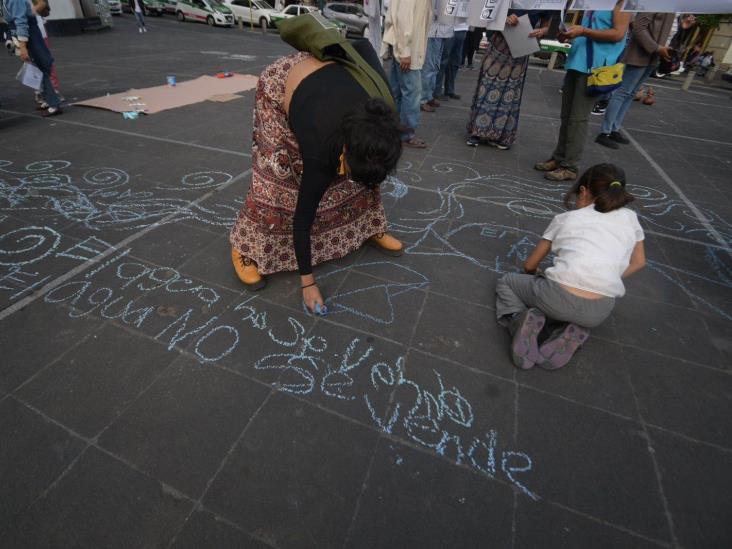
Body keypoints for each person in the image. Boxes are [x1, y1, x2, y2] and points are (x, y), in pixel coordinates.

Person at [229, 40, 404, 314]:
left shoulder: (382, 116)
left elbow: (364, 46)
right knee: (277, 178)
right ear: (344, 148)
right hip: (282, 84)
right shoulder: (320, 148)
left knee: (366, 172)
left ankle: (370, 227)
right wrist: (307, 284)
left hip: (328, 82)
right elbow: (302, 219)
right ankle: (246, 248)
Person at [496, 163, 646, 370]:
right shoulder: (630, 218)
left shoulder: (566, 218)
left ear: (583, 191)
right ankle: (570, 330)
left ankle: (517, 320)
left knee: (506, 282)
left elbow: (530, 264)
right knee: (573, 309)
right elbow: (639, 262)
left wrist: (535, 276)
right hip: (599, 311)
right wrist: (608, 276)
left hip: (556, 298)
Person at [534, 1, 630, 181]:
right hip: (578, 62)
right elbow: (587, 32)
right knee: (567, 116)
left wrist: (583, 31)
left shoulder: (620, 4)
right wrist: (570, 36)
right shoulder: (594, 3)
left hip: (593, 67)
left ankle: (569, 166)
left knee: (578, 119)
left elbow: (618, 34)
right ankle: (559, 157)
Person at [466, 10, 550, 150]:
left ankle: (502, 135)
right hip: (499, 42)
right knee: (487, 86)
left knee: (510, 91)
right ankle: (478, 131)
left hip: (522, 43)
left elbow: (547, 25)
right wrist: (503, 18)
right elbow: (486, 11)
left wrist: (542, 31)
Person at [596, 12, 674, 149]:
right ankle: (604, 132)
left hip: (654, 57)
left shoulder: (672, 7)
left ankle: (614, 129)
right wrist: (656, 48)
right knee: (623, 92)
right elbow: (638, 27)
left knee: (630, 94)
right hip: (640, 54)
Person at [381, 0, 432, 148]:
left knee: (398, 92)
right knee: (412, 93)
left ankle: (393, 130)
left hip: (406, 48)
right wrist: (406, 51)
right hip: (408, 50)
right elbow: (403, 20)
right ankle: (406, 134)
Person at [2, 0, 62, 116]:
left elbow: (21, 21)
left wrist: (23, 46)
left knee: (40, 66)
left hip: (28, 31)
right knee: (34, 66)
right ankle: (47, 99)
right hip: (21, 31)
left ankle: (54, 104)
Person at [420, 0, 453, 113]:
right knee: (429, 67)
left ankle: (429, 96)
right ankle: (422, 99)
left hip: (442, 32)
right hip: (433, 31)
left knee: (435, 67)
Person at [434, 16, 467, 101]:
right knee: (443, 61)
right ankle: (437, 91)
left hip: (462, 28)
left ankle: (449, 90)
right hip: (449, 27)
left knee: (455, 61)